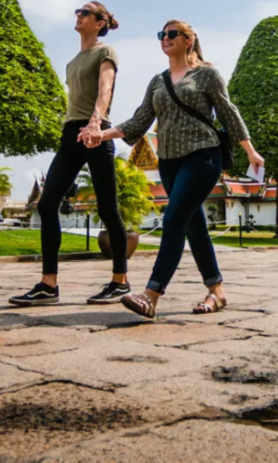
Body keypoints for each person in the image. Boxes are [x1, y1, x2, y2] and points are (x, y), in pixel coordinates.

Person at [86, 20, 265, 319]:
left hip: (203, 156)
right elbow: (139, 120)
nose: (165, 39)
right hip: (168, 162)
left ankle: (151, 294)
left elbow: (227, 111)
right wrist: (102, 133)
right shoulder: (157, 81)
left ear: (188, 40)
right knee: (193, 226)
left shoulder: (206, 75)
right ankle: (217, 291)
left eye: (172, 34)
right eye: (162, 35)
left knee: (173, 220)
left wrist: (249, 150)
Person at [9, 2, 130, 306]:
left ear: (100, 23)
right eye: (78, 11)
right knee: (47, 205)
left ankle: (120, 281)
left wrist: (95, 122)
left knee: (108, 209)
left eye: (85, 12)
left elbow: (106, 89)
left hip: (96, 133)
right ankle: (48, 285)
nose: (79, 15)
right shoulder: (72, 62)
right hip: (71, 135)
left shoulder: (106, 52)